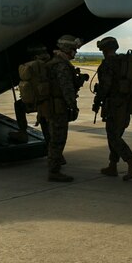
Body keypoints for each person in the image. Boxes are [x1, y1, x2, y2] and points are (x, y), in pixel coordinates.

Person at [92, 36, 132, 180]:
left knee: (113, 136)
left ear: (105, 49)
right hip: (127, 104)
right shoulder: (125, 62)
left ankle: (131, 162)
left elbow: (105, 86)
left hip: (114, 105)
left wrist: (97, 101)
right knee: (116, 134)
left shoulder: (108, 64)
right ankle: (112, 166)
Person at [43, 35, 83, 182]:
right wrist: (73, 105)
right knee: (58, 139)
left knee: (54, 137)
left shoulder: (53, 62)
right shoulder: (62, 65)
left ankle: (55, 166)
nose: (75, 53)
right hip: (58, 108)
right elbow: (66, 88)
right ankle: (54, 171)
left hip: (52, 106)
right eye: (73, 49)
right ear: (67, 49)